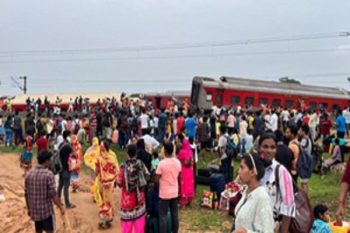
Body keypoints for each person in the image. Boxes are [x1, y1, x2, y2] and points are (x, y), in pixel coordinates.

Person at [258, 133, 295, 233]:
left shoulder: (281, 171)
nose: (269, 151)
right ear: (259, 148)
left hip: (272, 227)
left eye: (272, 147)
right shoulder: (253, 169)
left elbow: (288, 205)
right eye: (265, 147)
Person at [25, 151, 65, 233]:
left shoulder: (28, 174)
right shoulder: (48, 174)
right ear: (46, 161)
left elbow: (26, 194)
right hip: (46, 212)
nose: (51, 162)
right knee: (49, 230)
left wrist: (29, 209)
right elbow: (53, 195)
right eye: (50, 160)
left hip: (35, 211)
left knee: (38, 230)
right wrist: (61, 207)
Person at [233, 153, 274, 233]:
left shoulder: (262, 198)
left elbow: (268, 230)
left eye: (242, 168)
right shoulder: (247, 192)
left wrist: (246, 232)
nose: (239, 171)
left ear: (252, 172)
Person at [117, 144, 149, 233]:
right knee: (139, 226)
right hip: (139, 200)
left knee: (126, 227)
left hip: (127, 201)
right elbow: (147, 176)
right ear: (136, 153)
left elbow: (119, 183)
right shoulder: (140, 164)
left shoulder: (123, 166)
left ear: (127, 153)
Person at [155, 142, 181, 233]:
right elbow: (179, 178)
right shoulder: (177, 162)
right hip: (174, 192)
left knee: (163, 216)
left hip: (164, 193)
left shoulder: (161, 164)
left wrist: (158, 188)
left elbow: (157, 180)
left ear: (165, 151)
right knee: (175, 215)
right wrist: (179, 191)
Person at [95, 140, 118, 229]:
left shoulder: (99, 159)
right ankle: (108, 218)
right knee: (108, 201)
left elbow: (96, 171)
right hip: (110, 183)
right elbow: (116, 171)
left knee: (104, 201)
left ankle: (105, 220)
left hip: (102, 183)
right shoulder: (112, 158)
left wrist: (99, 174)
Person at [57, 130, 76, 208]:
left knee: (60, 185)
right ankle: (67, 204)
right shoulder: (68, 146)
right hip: (66, 168)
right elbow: (74, 155)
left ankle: (57, 200)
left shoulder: (61, 144)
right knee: (66, 186)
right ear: (68, 136)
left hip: (60, 167)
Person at [177, 134, 195, 208]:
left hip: (183, 170)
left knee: (183, 185)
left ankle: (183, 202)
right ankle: (189, 200)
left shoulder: (181, 152)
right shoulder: (190, 151)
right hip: (190, 171)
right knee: (189, 184)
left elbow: (178, 160)